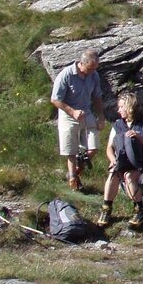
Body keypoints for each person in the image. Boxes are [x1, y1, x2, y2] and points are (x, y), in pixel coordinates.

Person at [96, 92, 143, 229]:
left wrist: (138, 137)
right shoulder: (118, 125)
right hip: (122, 161)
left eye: (121, 107)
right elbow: (109, 148)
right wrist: (113, 160)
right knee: (113, 172)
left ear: (130, 107)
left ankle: (140, 209)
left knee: (129, 176)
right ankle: (106, 208)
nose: (118, 111)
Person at [50, 49, 104, 191]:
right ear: (82, 63)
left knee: (93, 147)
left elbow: (97, 96)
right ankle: (73, 179)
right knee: (71, 150)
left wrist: (101, 116)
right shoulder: (66, 75)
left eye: (95, 68)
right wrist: (72, 112)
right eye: (90, 68)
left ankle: (78, 169)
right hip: (68, 116)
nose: (92, 71)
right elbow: (55, 100)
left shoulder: (94, 75)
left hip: (87, 114)